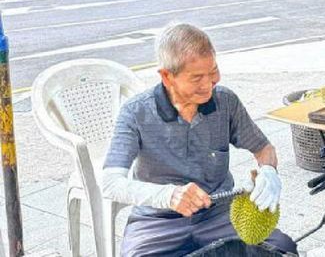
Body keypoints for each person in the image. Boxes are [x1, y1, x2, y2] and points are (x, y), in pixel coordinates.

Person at [102, 23, 297, 256]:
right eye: (196, 78)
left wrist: (269, 171)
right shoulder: (135, 112)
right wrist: (168, 196)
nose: (209, 84)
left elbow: (263, 148)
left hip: (220, 215)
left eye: (213, 71)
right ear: (167, 76)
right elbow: (111, 183)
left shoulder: (225, 101)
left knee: (282, 248)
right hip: (158, 222)